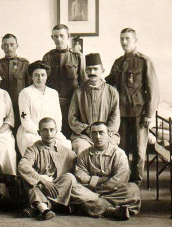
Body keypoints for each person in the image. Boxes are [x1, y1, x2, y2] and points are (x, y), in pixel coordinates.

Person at [105, 28, 160, 185]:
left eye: (127, 38)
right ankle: (122, 179)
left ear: (135, 40)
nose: (124, 42)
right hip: (120, 112)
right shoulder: (118, 62)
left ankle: (136, 182)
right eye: (121, 38)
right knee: (121, 147)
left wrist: (149, 114)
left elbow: (153, 90)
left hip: (138, 112)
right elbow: (109, 81)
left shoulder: (144, 61)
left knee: (138, 150)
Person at [18, 118, 99, 221]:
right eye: (45, 130)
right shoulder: (33, 149)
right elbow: (23, 166)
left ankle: (42, 206)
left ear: (56, 131)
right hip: (41, 187)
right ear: (39, 132)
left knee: (69, 177)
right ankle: (49, 206)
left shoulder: (67, 152)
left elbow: (80, 169)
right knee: (32, 186)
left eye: (52, 130)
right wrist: (43, 181)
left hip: (58, 188)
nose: (49, 133)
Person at [75, 122, 141, 220]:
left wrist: (98, 190)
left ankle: (97, 204)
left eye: (101, 132)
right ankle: (112, 210)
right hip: (91, 191)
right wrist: (102, 180)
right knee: (74, 189)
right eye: (94, 133)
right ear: (90, 135)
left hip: (111, 191)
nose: (97, 137)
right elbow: (80, 175)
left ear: (109, 134)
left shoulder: (119, 153)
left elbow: (121, 178)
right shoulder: (84, 154)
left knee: (132, 189)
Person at [69, 53, 120, 155]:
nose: (92, 72)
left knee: (110, 150)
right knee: (80, 148)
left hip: (107, 134)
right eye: (89, 69)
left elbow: (115, 118)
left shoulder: (112, 92)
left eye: (95, 69)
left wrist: (103, 132)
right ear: (86, 71)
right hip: (84, 136)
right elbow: (72, 118)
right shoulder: (78, 92)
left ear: (102, 70)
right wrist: (87, 130)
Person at [17, 61, 71, 156]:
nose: (40, 78)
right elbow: (25, 119)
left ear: (47, 76)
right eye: (36, 75)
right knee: (38, 147)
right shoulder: (25, 93)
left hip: (51, 131)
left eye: (43, 75)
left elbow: (58, 116)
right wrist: (40, 132)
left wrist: (53, 131)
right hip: (32, 132)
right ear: (31, 76)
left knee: (65, 145)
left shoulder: (53, 93)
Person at [42, 24, 87, 138]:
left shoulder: (77, 56)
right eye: (55, 36)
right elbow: (43, 83)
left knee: (71, 134)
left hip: (72, 103)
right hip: (52, 103)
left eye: (62, 36)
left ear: (68, 36)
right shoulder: (47, 57)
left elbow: (83, 82)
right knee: (54, 133)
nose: (59, 39)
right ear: (52, 38)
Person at [0, 33, 30, 131]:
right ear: (2, 47)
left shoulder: (24, 64)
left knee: (20, 131)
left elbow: (29, 87)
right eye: (5, 45)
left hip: (19, 105)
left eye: (11, 44)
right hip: (2, 106)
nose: (8, 47)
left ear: (17, 45)